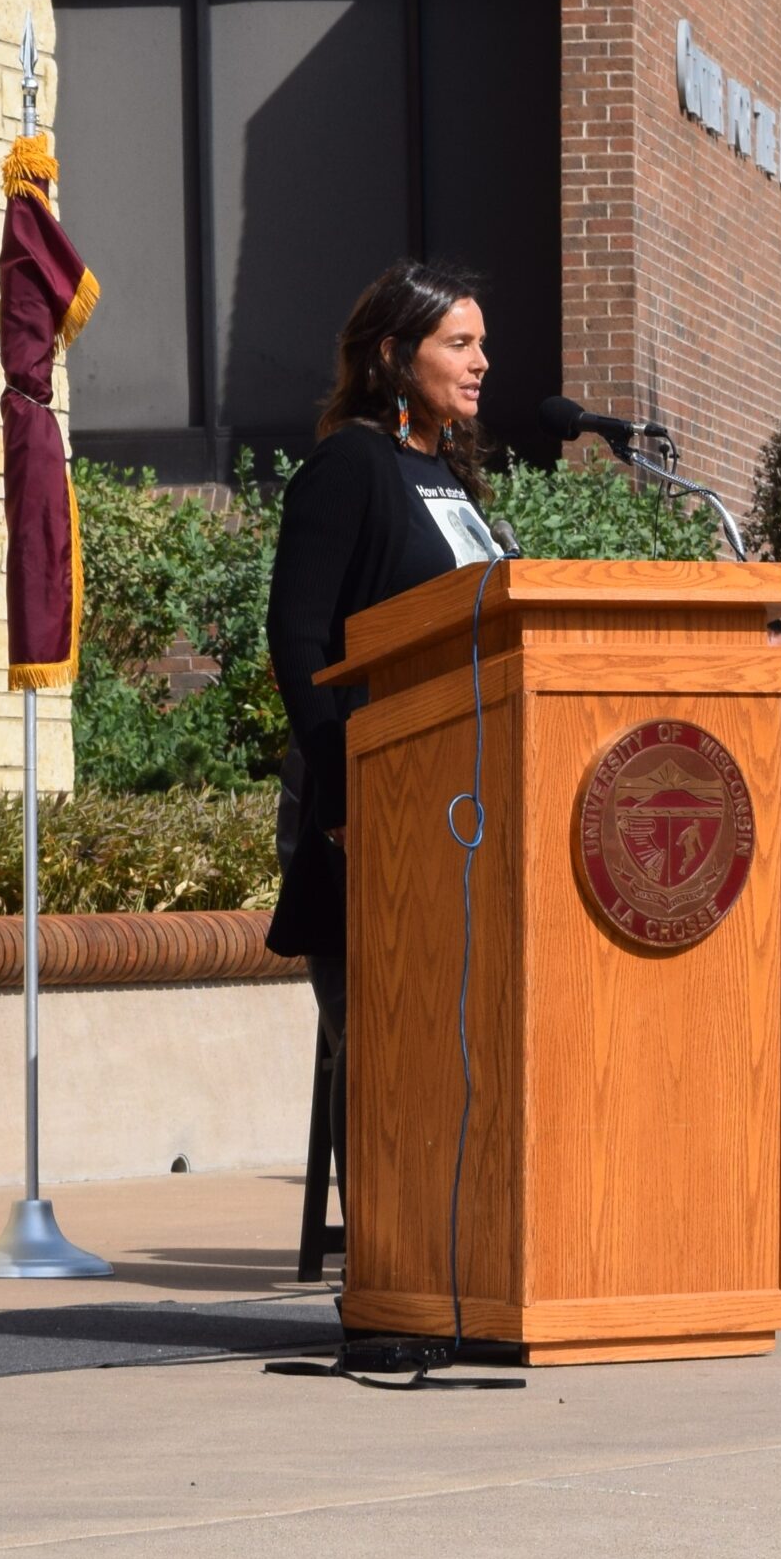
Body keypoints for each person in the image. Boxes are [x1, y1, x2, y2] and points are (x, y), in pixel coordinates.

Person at [265, 259, 500, 1179]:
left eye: (482, 344)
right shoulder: (351, 465)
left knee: (458, 1029)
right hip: (367, 794)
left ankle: (458, 1240)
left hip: (462, 794)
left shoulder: (445, 472)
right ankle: (387, 1263)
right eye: (461, 343)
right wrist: (339, 792)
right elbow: (298, 634)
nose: (483, 361)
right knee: (386, 1028)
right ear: (396, 355)